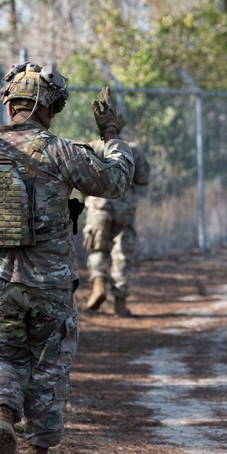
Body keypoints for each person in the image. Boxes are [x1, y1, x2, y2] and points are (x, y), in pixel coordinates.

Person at [0, 62, 134, 454]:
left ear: (10, 103)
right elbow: (116, 180)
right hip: (49, 283)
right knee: (49, 364)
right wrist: (111, 136)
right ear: (48, 108)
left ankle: (2, 417)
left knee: (4, 354)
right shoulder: (59, 150)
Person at [83, 123, 151, 316]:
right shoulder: (132, 149)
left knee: (97, 248)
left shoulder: (92, 147)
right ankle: (120, 303)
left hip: (98, 205)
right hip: (124, 206)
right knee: (122, 252)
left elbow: (80, 178)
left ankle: (98, 286)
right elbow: (144, 178)